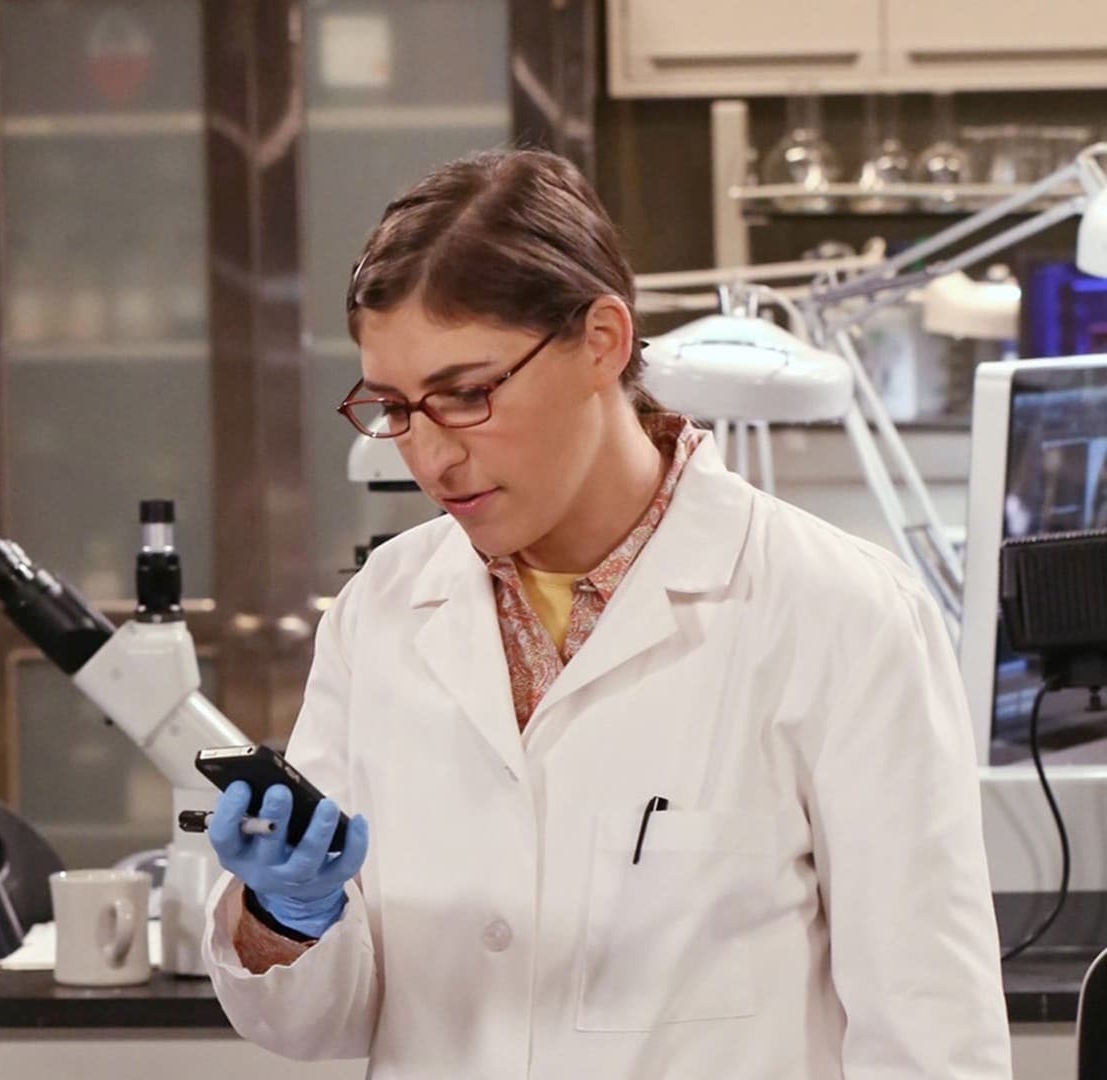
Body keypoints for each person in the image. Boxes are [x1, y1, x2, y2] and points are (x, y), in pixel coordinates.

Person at [200, 149, 1012, 1079]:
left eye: (466, 395)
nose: (429, 456)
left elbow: (930, 1035)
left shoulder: (839, 613)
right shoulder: (380, 612)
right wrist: (286, 915)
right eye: (395, 406)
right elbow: (320, 1027)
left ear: (602, 341)